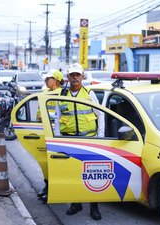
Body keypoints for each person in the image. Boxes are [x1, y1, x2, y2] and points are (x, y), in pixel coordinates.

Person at [54, 63, 104, 220]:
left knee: (92, 175)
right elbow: (57, 117)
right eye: (72, 75)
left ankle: (94, 207)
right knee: (74, 174)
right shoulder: (62, 95)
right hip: (70, 141)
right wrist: (57, 139)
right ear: (68, 78)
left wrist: (100, 138)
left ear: (82, 77)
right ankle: (76, 204)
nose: (75, 77)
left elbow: (101, 114)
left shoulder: (89, 93)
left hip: (89, 140)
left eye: (78, 75)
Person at [37, 69, 64, 203]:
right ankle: (47, 187)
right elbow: (38, 114)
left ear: (56, 80)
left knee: (56, 163)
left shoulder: (62, 94)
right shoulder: (44, 93)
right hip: (46, 132)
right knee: (46, 162)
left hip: (58, 133)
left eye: (49, 79)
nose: (46, 81)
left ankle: (54, 190)